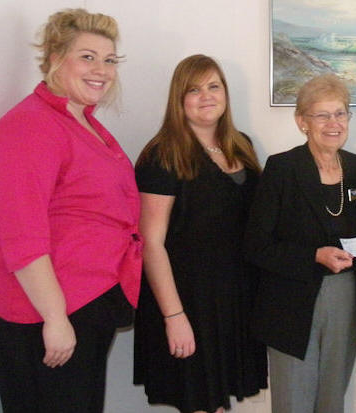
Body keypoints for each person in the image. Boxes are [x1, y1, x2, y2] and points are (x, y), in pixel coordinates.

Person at [0, 9, 141, 413]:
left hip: (83, 300)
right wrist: (55, 318)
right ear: (54, 59)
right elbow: (22, 234)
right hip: (37, 311)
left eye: (109, 60)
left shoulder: (81, 121)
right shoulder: (29, 127)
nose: (101, 70)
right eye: (87, 57)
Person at [132, 54, 267, 413]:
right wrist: (174, 316)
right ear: (179, 99)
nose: (206, 96)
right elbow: (151, 243)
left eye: (213, 86)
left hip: (234, 299)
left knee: (217, 402)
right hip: (187, 299)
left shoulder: (242, 145)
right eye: (194, 89)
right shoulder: (163, 155)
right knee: (201, 402)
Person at [244, 74, 356, 413]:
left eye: (340, 113)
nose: (334, 123)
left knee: (332, 401)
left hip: (347, 297)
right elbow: (256, 245)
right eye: (322, 115)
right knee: (293, 403)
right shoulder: (282, 168)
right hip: (290, 303)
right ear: (302, 121)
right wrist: (313, 256)